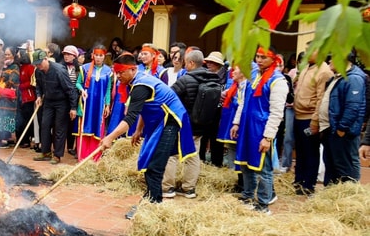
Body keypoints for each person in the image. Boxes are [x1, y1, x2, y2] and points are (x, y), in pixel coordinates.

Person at [100, 53, 196, 218]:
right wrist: (139, 130)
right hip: (159, 122)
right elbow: (145, 108)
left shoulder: (141, 85)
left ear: (133, 69)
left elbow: (129, 117)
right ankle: (150, 200)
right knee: (150, 163)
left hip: (170, 120)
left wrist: (110, 137)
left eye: (121, 72)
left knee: (155, 166)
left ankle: (153, 206)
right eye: (116, 72)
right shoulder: (136, 82)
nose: (118, 76)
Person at [231, 46, 288, 214]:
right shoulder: (253, 75)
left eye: (264, 57)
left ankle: (263, 204)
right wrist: (236, 123)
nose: (259, 60)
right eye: (257, 56)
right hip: (247, 128)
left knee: (264, 168)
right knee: (246, 164)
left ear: (273, 59)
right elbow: (244, 102)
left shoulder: (278, 81)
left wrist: (268, 137)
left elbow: (277, 112)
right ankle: (248, 195)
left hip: (261, 130)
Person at [161, 49, 219, 199]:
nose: (184, 65)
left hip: (183, 124)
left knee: (171, 154)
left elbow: (168, 97)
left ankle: (167, 187)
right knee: (193, 155)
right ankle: (189, 188)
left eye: (186, 62)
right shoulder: (213, 79)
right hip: (201, 126)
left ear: (192, 63)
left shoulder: (186, 80)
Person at [320, 52, 366, 185]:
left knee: (344, 168)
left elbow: (353, 106)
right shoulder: (337, 77)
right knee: (332, 165)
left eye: (332, 58)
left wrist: (342, 128)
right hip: (332, 129)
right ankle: (330, 196)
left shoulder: (353, 79)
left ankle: (346, 198)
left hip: (342, 132)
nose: (329, 61)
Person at [291, 48, 332, 195]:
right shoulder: (306, 67)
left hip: (309, 118)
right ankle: (299, 180)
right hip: (298, 115)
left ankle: (309, 184)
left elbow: (321, 99)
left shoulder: (324, 71)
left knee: (310, 152)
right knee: (300, 151)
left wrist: (315, 121)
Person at [32, 49, 78, 165]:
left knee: (59, 128)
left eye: (40, 63)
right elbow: (38, 85)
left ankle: (57, 155)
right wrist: (38, 96)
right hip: (48, 101)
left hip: (62, 103)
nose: (38, 66)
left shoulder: (59, 70)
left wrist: (73, 108)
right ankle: (45, 152)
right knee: (45, 125)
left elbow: (70, 90)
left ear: (46, 59)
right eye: (36, 64)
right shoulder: (38, 71)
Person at [75, 44, 112, 161]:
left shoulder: (108, 71)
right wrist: (82, 91)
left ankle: (95, 157)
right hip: (86, 103)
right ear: (92, 55)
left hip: (99, 105)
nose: (98, 58)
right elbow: (78, 83)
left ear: (104, 56)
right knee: (84, 128)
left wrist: (107, 105)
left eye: (101, 55)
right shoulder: (84, 68)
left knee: (98, 128)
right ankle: (82, 156)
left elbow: (108, 89)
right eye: (96, 55)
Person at [0, 46, 20, 146]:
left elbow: (12, 81)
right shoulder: (4, 66)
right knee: (0, 115)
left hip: (9, 98)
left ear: (13, 55)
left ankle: (6, 138)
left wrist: (1, 84)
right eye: (5, 54)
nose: (6, 56)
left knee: (7, 117)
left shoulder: (15, 67)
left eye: (9, 54)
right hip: (2, 96)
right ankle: (2, 137)